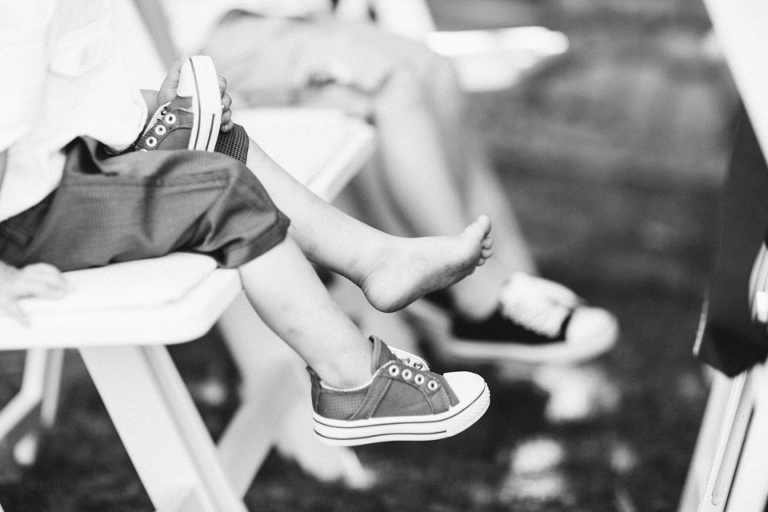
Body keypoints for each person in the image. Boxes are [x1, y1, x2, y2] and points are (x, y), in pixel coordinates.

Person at [0, 0, 493, 446]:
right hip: (26, 213)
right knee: (225, 191)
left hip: (49, 172)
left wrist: (155, 110)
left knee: (207, 133)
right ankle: (352, 379)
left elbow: (66, 90)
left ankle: (376, 259)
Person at [155, 0, 620, 365]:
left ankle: (458, 284)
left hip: (300, 21)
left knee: (434, 69)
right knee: (388, 83)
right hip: (224, 33)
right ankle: (472, 294)